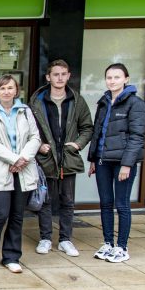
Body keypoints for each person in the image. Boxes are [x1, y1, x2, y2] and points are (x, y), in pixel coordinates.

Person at [29, 60, 93, 257]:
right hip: (46, 158)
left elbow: (87, 127)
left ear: (68, 76)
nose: (59, 78)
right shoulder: (37, 100)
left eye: (63, 74)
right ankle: (46, 238)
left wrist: (78, 144)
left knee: (68, 201)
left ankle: (65, 239)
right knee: (45, 200)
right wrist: (38, 145)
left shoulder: (77, 100)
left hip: (68, 158)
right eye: (55, 74)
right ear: (48, 77)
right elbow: (29, 128)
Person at [0, 75, 41, 273]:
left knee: (17, 216)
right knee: (0, 214)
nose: (6, 91)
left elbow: (35, 137)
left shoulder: (25, 111)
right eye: (3, 88)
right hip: (1, 169)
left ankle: (11, 257)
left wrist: (22, 158)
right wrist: (13, 159)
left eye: (10, 88)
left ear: (17, 90)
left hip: (24, 169)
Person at [87, 63, 145, 263]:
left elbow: (137, 137)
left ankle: (122, 246)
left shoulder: (135, 103)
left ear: (126, 79)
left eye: (117, 77)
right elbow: (97, 133)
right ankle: (108, 244)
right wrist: (93, 159)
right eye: (109, 77)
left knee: (122, 205)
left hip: (122, 163)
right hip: (103, 161)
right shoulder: (103, 102)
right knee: (105, 204)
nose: (112, 81)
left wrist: (127, 165)